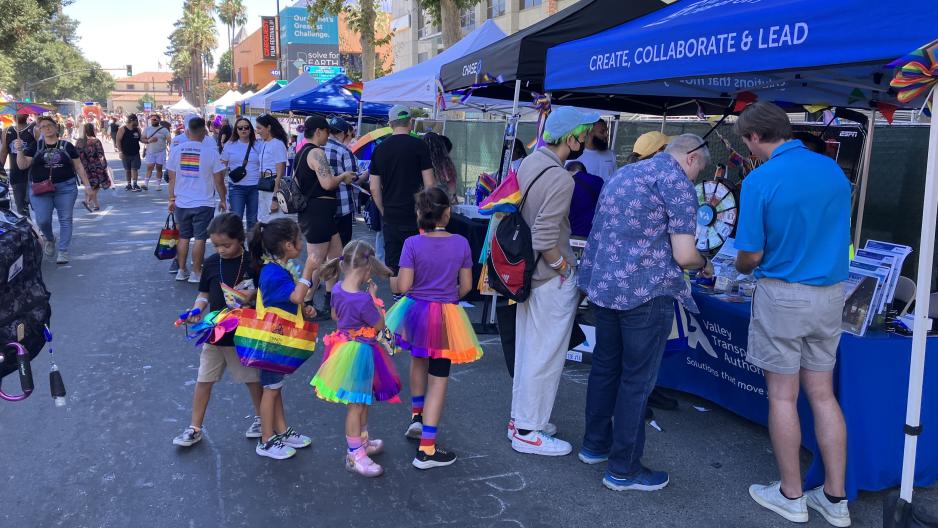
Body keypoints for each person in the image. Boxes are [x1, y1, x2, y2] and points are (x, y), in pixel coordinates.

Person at [733, 102, 851, 527]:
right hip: (832, 294)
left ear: (753, 137)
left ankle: (791, 494)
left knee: (783, 396)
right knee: (823, 394)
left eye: (745, 141)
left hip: (783, 294)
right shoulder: (831, 169)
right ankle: (836, 499)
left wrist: (740, 266)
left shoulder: (760, 180)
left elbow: (751, 254)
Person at [578, 133, 713, 492]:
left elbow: (599, 233)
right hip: (646, 295)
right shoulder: (677, 183)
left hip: (604, 288)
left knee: (605, 368)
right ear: (692, 158)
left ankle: (595, 445)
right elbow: (685, 256)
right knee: (636, 381)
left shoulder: (624, 174)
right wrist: (704, 263)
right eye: (700, 169)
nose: (697, 177)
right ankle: (623, 469)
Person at [505, 107, 598, 456]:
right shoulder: (561, 178)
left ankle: (522, 421)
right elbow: (545, 237)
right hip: (548, 277)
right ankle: (529, 429)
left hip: (526, 275)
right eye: (584, 134)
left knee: (529, 349)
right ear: (571, 136)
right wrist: (565, 269)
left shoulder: (528, 163)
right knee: (545, 356)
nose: (585, 141)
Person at [386, 187, 482, 470]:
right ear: (447, 213)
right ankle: (427, 447)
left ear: (420, 214)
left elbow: (403, 287)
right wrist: (446, 293)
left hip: (415, 311)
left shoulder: (412, 244)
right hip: (445, 314)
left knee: (418, 358)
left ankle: (416, 415)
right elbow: (466, 286)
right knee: (439, 377)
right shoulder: (462, 243)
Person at [173, 213, 264, 448]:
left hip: (243, 336)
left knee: (253, 381)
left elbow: (265, 297)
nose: (221, 250)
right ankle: (194, 427)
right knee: (204, 380)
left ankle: (262, 419)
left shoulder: (254, 263)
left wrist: (252, 299)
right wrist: (196, 311)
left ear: (240, 239)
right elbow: (203, 294)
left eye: (227, 244)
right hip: (214, 334)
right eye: (217, 245)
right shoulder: (213, 262)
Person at [311, 240, 399, 477]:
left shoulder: (338, 288)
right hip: (360, 352)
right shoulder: (362, 300)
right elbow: (380, 324)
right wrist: (374, 298)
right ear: (366, 269)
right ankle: (354, 454)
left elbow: (335, 316)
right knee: (357, 404)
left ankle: (362, 442)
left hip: (344, 348)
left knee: (361, 399)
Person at [248, 218, 318, 460]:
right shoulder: (273, 272)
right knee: (271, 390)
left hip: (275, 340)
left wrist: (304, 310)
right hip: (271, 343)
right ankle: (266, 440)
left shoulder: (278, 268)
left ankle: (281, 431)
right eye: (299, 240)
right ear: (288, 245)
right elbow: (298, 296)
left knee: (275, 389)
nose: (302, 243)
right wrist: (309, 270)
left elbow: (290, 301)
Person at [294, 115, 356, 316]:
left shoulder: (302, 151)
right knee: (315, 259)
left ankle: (330, 300)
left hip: (322, 214)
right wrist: (343, 177)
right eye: (327, 132)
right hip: (317, 213)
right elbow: (327, 183)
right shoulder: (315, 152)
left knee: (335, 256)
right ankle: (305, 300)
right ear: (319, 131)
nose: (328, 136)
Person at [15, 116, 93, 264]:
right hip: (40, 189)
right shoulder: (35, 146)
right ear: (40, 130)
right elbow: (22, 165)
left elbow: (79, 167)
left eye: (49, 125)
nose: (47, 128)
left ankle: (63, 251)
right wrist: (19, 150)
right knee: (43, 220)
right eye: (43, 126)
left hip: (66, 187)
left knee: (65, 219)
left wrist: (87, 187)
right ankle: (50, 238)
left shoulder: (67, 146)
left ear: (56, 127)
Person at [368, 106, 435, 275]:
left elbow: (374, 187)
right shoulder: (420, 146)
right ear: (410, 122)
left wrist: (383, 209)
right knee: (416, 262)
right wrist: (425, 210)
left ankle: (398, 300)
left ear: (390, 124)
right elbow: (430, 184)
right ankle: (413, 299)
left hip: (391, 214)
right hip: (415, 215)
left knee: (393, 264)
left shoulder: (379, 149)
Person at [166, 117, 227, 284]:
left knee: (184, 237)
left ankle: (181, 270)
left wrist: (171, 198)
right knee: (200, 238)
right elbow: (219, 181)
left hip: (182, 202)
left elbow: (171, 179)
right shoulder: (211, 153)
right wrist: (223, 199)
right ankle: (196, 272)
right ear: (204, 132)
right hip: (203, 202)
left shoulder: (177, 151)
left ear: (187, 132)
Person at [325, 117, 365, 248]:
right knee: (341, 247)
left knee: (325, 248)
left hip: (322, 205)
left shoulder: (318, 147)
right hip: (342, 205)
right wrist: (368, 173)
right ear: (343, 133)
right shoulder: (344, 151)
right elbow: (354, 180)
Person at [220, 117, 261, 230]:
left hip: (255, 187)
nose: (244, 130)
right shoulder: (230, 145)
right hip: (236, 188)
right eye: (240, 128)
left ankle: (253, 247)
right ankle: (239, 247)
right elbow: (222, 166)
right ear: (236, 130)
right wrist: (220, 187)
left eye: (246, 127)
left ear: (250, 129)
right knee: (236, 219)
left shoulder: (258, 145)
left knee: (253, 220)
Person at [254, 114, 289, 223]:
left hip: (272, 187)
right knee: (263, 221)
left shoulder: (277, 144)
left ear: (268, 127)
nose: (258, 131)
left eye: (260, 128)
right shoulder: (264, 143)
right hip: (263, 186)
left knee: (274, 223)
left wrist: (275, 198)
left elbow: (280, 173)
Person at [0, 113, 37, 215]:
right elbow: (3, 152)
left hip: (34, 176)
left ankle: (41, 230)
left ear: (27, 115)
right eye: (16, 113)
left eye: (21, 113)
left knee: (39, 209)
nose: (18, 115)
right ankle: (28, 230)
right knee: (22, 210)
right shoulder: (7, 131)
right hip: (16, 176)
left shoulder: (34, 128)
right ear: (13, 116)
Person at [75, 123, 110, 211]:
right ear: (92, 129)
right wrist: (104, 165)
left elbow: (76, 155)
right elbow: (100, 154)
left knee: (88, 185)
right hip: (96, 166)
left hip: (84, 167)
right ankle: (91, 202)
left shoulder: (79, 141)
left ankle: (92, 203)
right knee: (96, 185)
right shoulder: (95, 141)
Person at [564, 160, 604, 238]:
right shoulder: (598, 181)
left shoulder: (565, 182)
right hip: (593, 233)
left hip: (570, 233)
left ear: (568, 171)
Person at [423, 131, 458, 200]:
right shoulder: (446, 163)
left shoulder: (423, 162)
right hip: (442, 201)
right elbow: (451, 186)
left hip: (429, 201)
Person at [142, 114, 171, 191]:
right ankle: (145, 184)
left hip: (161, 152)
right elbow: (142, 139)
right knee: (149, 167)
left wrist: (171, 149)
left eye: (155, 119)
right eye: (152, 119)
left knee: (159, 168)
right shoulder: (147, 129)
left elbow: (169, 140)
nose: (153, 121)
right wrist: (148, 141)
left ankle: (158, 185)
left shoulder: (164, 130)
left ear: (159, 120)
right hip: (150, 151)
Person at [116, 114, 143, 191]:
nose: (137, 122)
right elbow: (118, 140)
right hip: (125, 153)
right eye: (136, 120)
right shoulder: (122, 129)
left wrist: (148, 141)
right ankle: (128, 184)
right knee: (127, 169)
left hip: (135, 153)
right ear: (131, 120)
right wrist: (120, 151)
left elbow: (141, 139)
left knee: (134, 169)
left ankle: (135, 184)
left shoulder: (137, 129)